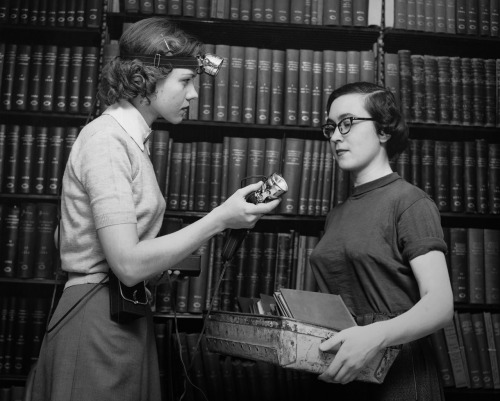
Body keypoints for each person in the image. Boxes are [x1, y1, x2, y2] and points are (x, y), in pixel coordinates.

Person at [31, 17, 280, 401]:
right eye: (185, 81)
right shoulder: (107, 140)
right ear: (144, 78)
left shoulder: (130, 141)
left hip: (121, 314)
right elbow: (127, 265)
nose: (194, 94)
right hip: (97, 320)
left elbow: (86, 242)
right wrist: (218, 219)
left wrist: (160, 266)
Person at [309, 81, 453, 400]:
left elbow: (441, 305)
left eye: (347, 123)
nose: (335, 136)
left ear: (384, 131)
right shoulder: (336, 214)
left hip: (398, 374)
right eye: (330, 127)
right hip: (342, 370)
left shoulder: (409, 202)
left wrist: (374, 336)